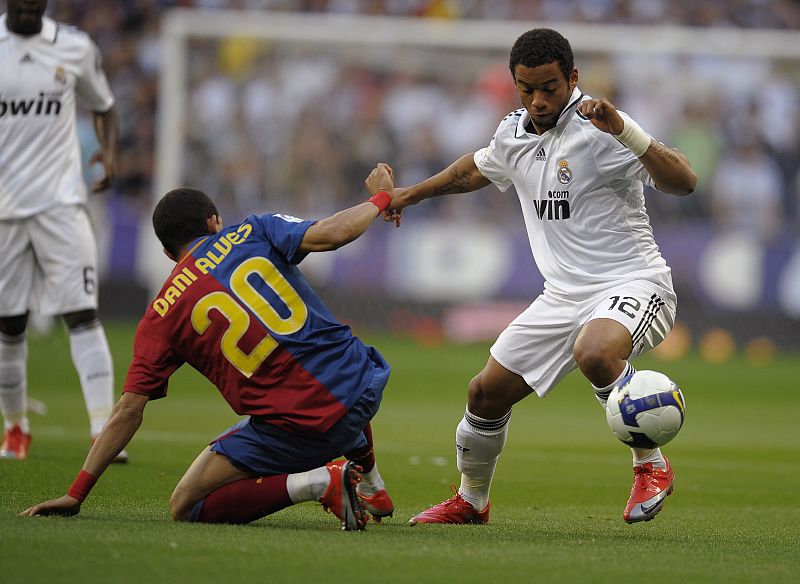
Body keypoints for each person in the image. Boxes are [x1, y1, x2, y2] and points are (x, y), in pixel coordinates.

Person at [386, 28, 697, 525]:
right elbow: (475, 169)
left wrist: (627, 132)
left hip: (634, 282)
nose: (537, 100)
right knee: (483, 394)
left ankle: (650, 465)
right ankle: (471, 501)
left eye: (549, 87)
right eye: (525, 88)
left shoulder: (602, 127)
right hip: (563, 297)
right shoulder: (513, 133)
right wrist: (408, 194)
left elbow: (684, 181)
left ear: (572, 78)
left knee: (595, 352)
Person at [21, 166, 397, 531]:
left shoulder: (161, 314)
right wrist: (382, 197)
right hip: (362, 384)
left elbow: (128, 411)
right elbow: (333, 234)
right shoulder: (254, 230)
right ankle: (371, 482)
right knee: (327, 359)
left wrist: (76, 493)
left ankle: (319, 482)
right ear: (215, 221)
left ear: (169, 254)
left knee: (184, 504)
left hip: (303, 428)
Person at [0, 0, 122, 461]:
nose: (30, 5)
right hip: (4, 211)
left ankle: (101, 431)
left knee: (82, 313)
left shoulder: (73, 47)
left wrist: (109, 154)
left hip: (62, 204)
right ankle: (15, 429)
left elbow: (105, 105)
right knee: (8, 326)